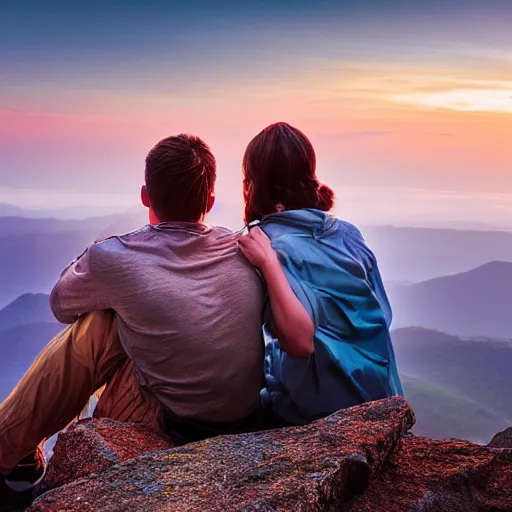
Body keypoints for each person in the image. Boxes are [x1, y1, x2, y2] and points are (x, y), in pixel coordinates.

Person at [0, 134, 265, 493]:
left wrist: (101, 258)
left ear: (145, 195)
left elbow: (60, 304)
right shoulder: (242, 247)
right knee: (127, 322)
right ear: (212, 199)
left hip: (175, 423)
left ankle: (11, 453)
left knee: (98, 325)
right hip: (242, 417)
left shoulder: (117, 257)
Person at [238, 122, 403, 426]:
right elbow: (382, 315)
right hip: (380, 397)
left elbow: (300, 344)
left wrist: (270, 265)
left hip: (315, 415)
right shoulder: (349, 234)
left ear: (251, 184)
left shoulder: (267, 246)